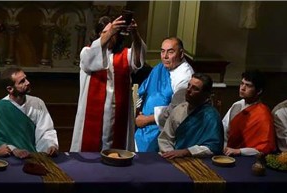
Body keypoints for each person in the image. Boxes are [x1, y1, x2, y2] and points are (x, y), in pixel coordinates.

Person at [70, 14, 146, 152]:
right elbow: (89, 62)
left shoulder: (125, 55)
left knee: (115, 149)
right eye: (105, 33)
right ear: (99, 34)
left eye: (114, 33)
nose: (110, 36)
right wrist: (111, 30)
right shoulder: (87, 52)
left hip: (117, 116)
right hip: (91, 116)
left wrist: (134, 33)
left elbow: (138, 60)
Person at [134, 37, 194, 152]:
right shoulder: (160, 67)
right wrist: (136, 109)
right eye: (162, 51)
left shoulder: (185, 77)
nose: (165, 56)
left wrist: (146, 120)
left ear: (181, 54)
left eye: (170, 52)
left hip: (162, 130)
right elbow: (143, 90)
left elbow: (177, 110)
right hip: (141, 122)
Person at [0, 67, 59, 159]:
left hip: (34, 156)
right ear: (10, 89)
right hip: (9, 158)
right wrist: (14, 149)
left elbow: (46, 130)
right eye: (22, 81)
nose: (27, 82)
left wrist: (50, 145)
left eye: (26, 78)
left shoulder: (37, 103)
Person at [158, 73, 224, 159]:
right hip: (174, 160)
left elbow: (213, 147)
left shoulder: (211, 116)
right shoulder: (179, 109)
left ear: (206, 94)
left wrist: (186, 152)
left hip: (199, 162)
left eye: (195, 89)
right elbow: (165, 138)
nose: (188, 90)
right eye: (189, 85)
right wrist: (170, 154)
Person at [222, 70, 276, 156]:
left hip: (248, 158)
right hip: (226, 152)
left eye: (248, 85)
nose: (242, 88)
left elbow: (266, 146)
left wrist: (239, 151)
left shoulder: (263, 114)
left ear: (259, 91)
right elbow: (224, 130)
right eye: (242, 83)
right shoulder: (237, 105)